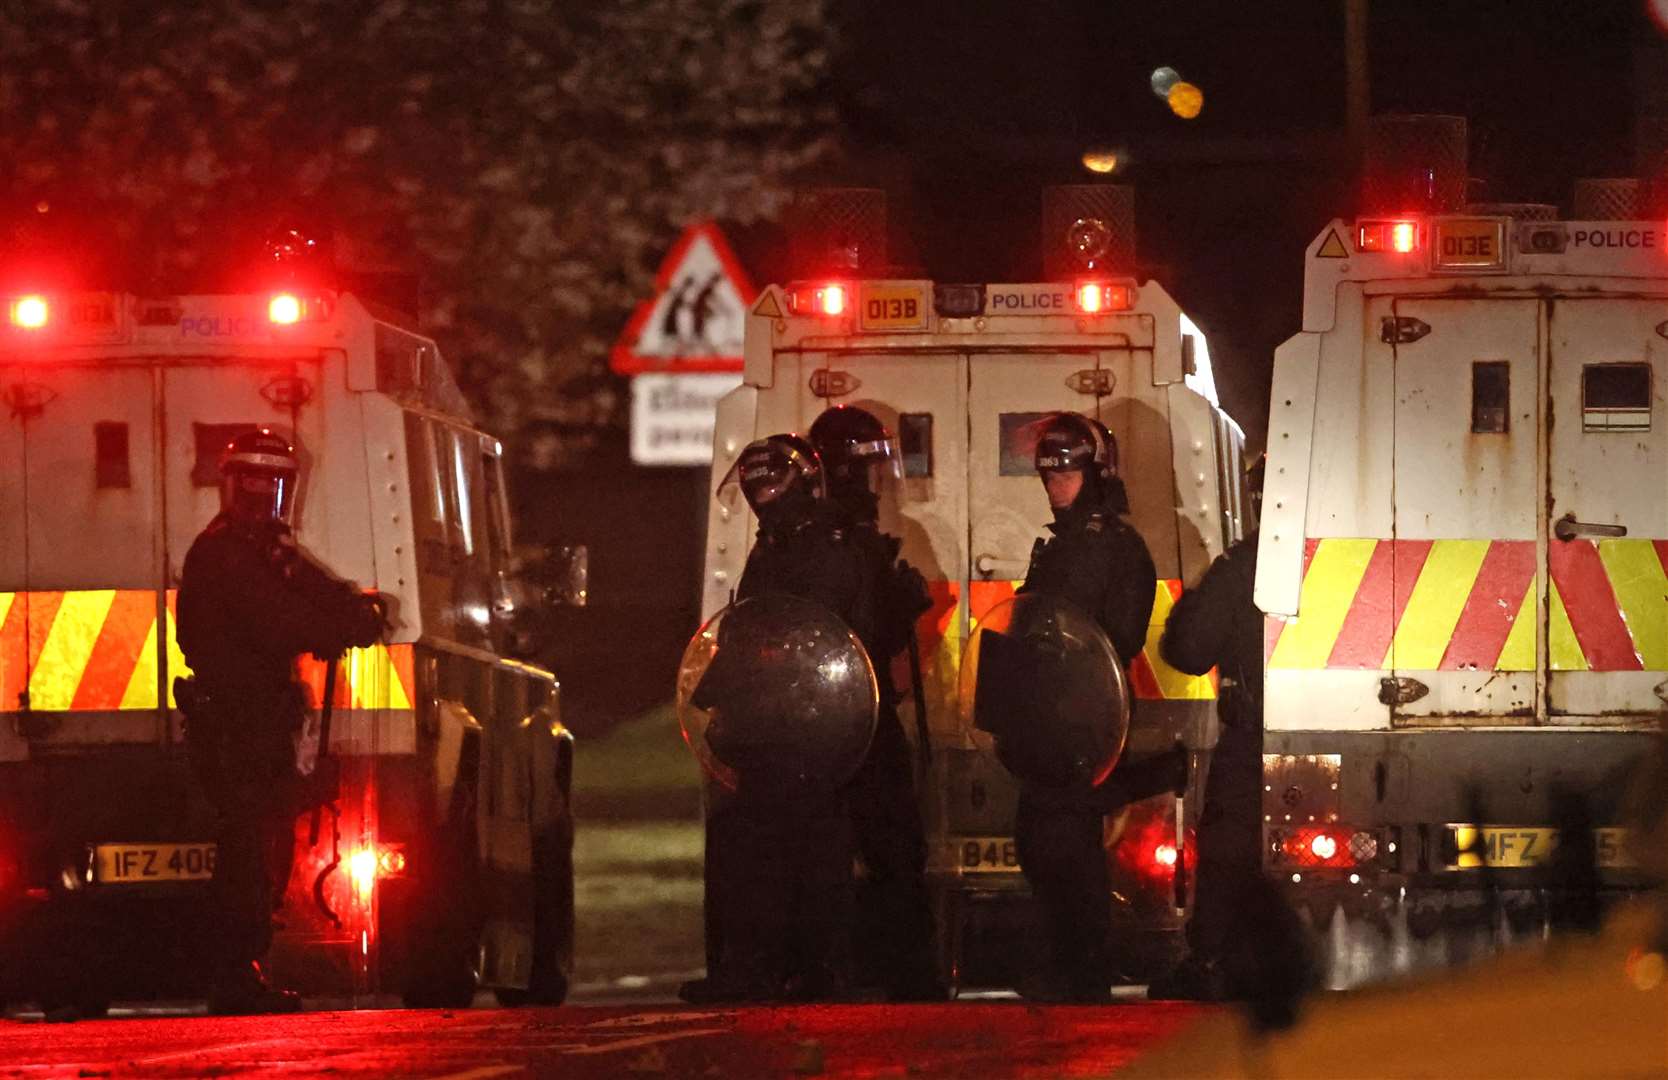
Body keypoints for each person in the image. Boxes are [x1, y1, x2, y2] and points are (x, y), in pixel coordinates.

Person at [175, 429, 386, 1014]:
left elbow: (311, 591)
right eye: (252, 480)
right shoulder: (223, 552)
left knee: (262, 843)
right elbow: (278, 619)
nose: (262, 492)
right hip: (236, 723)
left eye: (272, 481)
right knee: (246, 846)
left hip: (260, 720)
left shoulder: (265, 547)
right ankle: (233, 976)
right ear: (231, 484)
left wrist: (351, 608)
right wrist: (340, 626)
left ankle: (244, 968)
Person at [685, 433, 873, 1002]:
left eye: (770, 485)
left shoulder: (826, 546)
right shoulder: (775, 543)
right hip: (768, 727)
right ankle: (757, 968)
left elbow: (818, 635)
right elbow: (748, 626)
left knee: (803, 853)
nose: (761, 497)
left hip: (809, 727)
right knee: (751, 849)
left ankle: (809, 971)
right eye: (754, 488)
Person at [1012, 411, 1159, 1003]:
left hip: (1083, 714)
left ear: (1095, 473)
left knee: (1066, 844)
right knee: (1042, 841)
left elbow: (1118, 637)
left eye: (1066, 475)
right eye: (1048, 477)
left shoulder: (1115, 546)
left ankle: (1080, 969)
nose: (1055, 486)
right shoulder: (1058, 544)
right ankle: (1067, 963)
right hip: (1043, 714)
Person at [808, 405, 942, 1000]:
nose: (878, 483)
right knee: (893, 849)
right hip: (860, 719)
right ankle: (904, 976)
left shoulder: (814, 537)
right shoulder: (848, 543)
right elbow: (863, 639)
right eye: (869, 470)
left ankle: (840, 969)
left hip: (823, 726)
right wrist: (902, 603)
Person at [1153, 454, 1266, 1000]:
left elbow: (1189, 649)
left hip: (1254, 739)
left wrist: (1195, 600)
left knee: (1225, 846)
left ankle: (1212, 961)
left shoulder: (1244, 567)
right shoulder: (1360, 555)